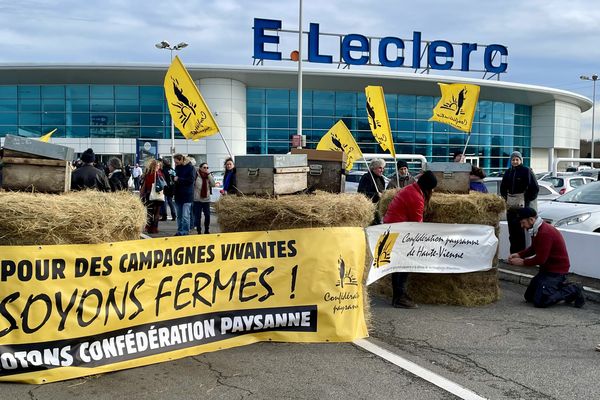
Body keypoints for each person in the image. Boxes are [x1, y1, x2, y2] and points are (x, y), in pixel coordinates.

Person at [508, 207, 585, 308]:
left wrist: (522, 262)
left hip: (556, 272)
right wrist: (519, 254)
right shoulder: (535, 229)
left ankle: (574, 289)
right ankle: (558, 286)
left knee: (541, 301)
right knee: (529, 297)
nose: (522, 226)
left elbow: (541, 259)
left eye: (523, 223)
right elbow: (534, 248)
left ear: (531, 220)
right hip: (546, 271)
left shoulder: (544, 232)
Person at [383, 170, 438, 309]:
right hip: (399, 231)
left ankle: (399, 295)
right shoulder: (416, 197)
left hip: (394, 228)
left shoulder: (411, 189)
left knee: (399, 264)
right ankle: (399, 297)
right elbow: (417, 224)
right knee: (403, 264)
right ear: (427, 187)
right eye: (432, 188)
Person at [500, 151, 539, 253]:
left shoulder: (526, 171)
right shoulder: (508, 172)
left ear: (521, 160)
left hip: (522, 207)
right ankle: (513, 254)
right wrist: (505, 198)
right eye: (513, 159)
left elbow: (534, 188)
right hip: (510, 206)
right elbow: (503, 187)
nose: (515, 161)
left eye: (517, 159)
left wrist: (527, 199)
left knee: (520, 231)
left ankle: (521, 254)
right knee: (512, 232)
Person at [139, 158, 165, 234]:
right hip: (159, 195)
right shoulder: (161, 174)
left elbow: (144, 186)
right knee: (157, 213)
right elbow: (164, 186)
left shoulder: (148, 174)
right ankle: (155, 228)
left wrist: (141, 195)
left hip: (149, 195)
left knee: (149, 212)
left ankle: (149, 227)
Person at [173, 153, 196, 236]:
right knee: (179, 215)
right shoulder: (177, 167)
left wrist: (179, 179)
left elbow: (191, 180)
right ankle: (180, 230)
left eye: (176, 162)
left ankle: (185, 231)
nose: (175, 164)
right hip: (178, 194)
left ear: (181, 159)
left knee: (185, 215)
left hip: (187, 195)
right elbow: (175, 178)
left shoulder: (191, 168)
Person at [193, 162, 215, 234]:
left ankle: (206, 229)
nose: (206, 169)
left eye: (207, 168)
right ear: (200, 168)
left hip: (206, 199)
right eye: (204, 167)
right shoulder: (196, 175)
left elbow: (213, 184)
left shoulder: (208, 176)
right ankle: (199, 230)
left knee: (207, 215)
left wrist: (209, 175)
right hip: (197, 199)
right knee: (198, 216)